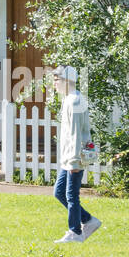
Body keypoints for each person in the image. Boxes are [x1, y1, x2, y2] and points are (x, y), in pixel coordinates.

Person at [52, 66, 101, 243]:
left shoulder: (75, 101)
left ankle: (75, 233)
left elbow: (76, 134)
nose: (54, 84)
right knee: (59, 192)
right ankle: (88, 221)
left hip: (75, 158)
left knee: (72, 195)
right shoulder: (70, 99)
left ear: (66, 81)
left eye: (57, 80)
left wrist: (73, 161)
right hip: (69, 158)